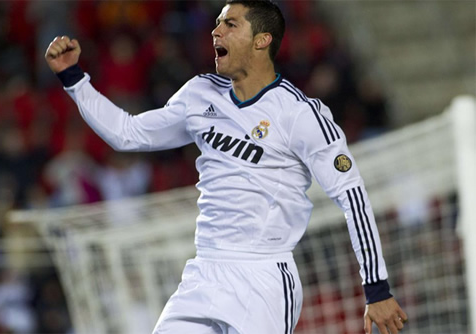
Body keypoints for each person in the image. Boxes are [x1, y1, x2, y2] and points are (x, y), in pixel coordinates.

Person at [45, 1, 408, 333]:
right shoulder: (199, 94)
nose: (215, 31)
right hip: (204, 273)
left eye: (230, 24)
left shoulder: (300, 114)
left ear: (262, 40)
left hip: (264, 279)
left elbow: (353, 197)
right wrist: (75, 80)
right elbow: (128, 134)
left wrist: (376, 288)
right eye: (217, 23)